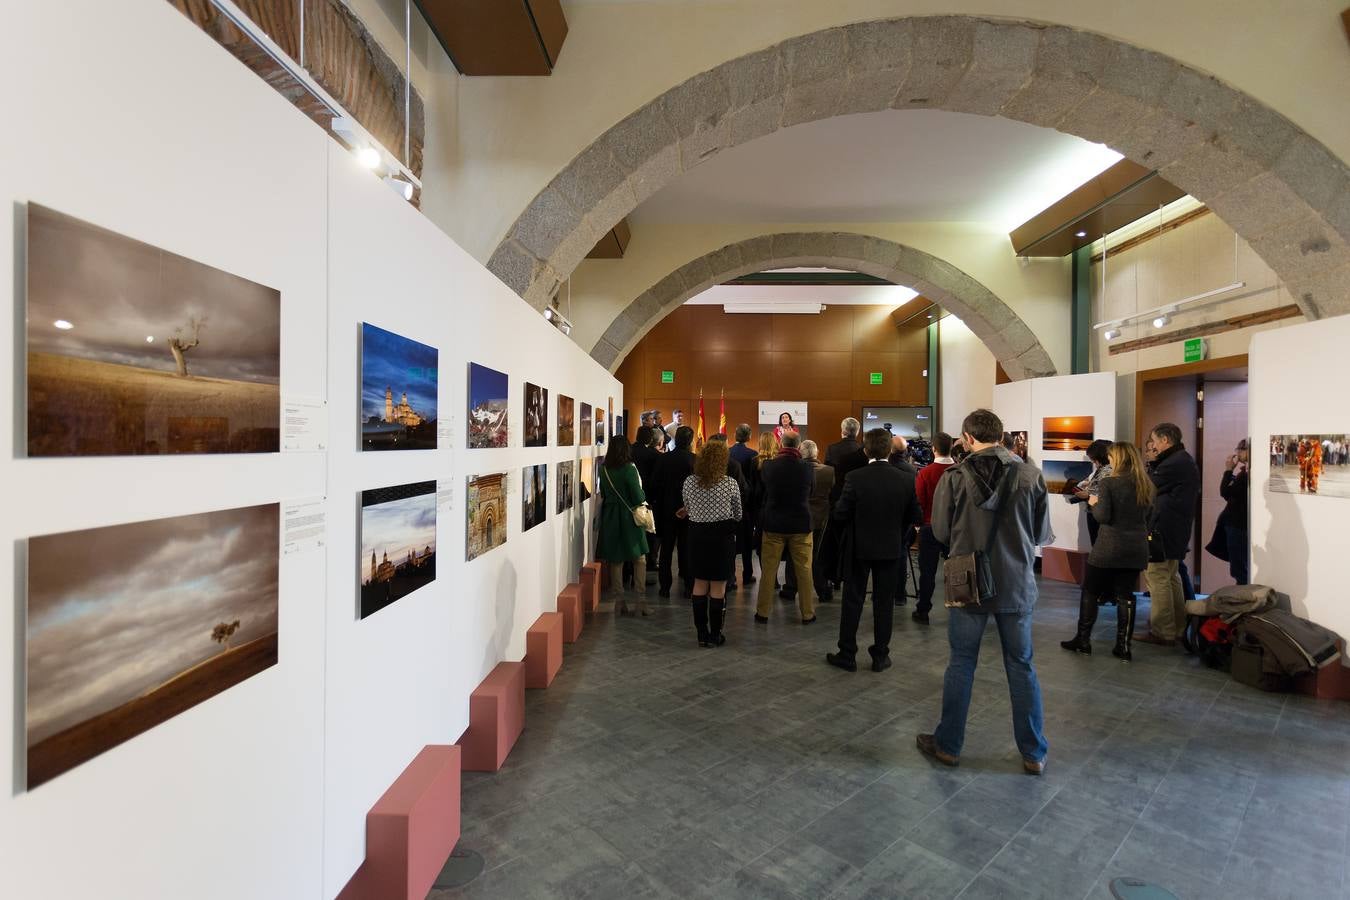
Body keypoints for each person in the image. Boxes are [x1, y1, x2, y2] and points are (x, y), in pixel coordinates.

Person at [917, 408, 1051, 776]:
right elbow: (1040, 535)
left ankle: (948, 745)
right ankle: (1033, 752)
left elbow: (941, 532)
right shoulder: (1030, 475)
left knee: (961, 663)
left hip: (968, 580)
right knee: (1021, 666)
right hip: (1017, 582)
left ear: (969, 438)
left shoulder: (954, 478)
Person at [826, 428, 921, 672]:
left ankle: (847, 653)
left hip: (859, 547)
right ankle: (880, 655)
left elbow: (840, 513)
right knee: (884, 602)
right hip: (890, 547)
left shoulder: (855, 477)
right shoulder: (906, 478)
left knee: (852, 600)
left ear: (866, 449)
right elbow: (914, 515)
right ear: (889, 450)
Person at [1060, 441, 1153, 660]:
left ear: (1118, 458)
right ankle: (1123, 646)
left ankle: (1083, 640)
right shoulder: (1146, 484)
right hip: (1137, 547)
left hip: (1110, 546)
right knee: (1126, 595)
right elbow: (1149, 516)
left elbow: (1102, 516)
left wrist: (1091, 498)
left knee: (1091, 590)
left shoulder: (1110, 483)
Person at [1137, 423, 1200, 646]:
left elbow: (1145, 487)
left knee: (1157, 577)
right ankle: (1177, 627)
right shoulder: (1182, 459)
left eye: (1154, 440)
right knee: (1171, 577)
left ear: (1165, 440)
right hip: (1175, 528)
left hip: (1164, 528)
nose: (1152, 445)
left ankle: (1163, 631)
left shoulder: (1173, 463)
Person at [681, 440, 742, 647]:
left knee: (699, 583)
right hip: (721, 537)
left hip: (697, 535)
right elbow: (738, 514)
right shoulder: (730, 483)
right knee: (718, 587)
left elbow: (687, 507)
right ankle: (715, 634)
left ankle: (701, 634)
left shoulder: (689, 482)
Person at [755, 431, 816, 625]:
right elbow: (811, 492)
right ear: (798, 447)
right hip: (800, 524)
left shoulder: (768, 466)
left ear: (781, 444)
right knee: (804, 571)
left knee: (769, 571)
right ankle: (807, 613)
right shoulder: (807, 468)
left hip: (774, 523)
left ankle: (762, 612)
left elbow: (763, 492)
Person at [596, 435, 651, 616]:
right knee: (639, 559)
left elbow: (603, 492)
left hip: (611, 517)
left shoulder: (603, 469)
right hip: (629, 517)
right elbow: (638, 496)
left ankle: (619, 603)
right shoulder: (629, 469)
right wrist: (642, 494)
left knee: (616, 559)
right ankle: (640, 602)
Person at [912, 431, 956, 624]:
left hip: (930, 527)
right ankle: (959, 606)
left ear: (934, 449)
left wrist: (917, 526)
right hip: (955, 529)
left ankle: (923, 610)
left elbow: (919, 501)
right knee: (956, 570)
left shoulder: (925, 473)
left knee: (927, 572)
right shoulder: (959, 471)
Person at [783, 440, 834, 604]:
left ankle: (791, 589)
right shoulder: (829, 471)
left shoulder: (794, 471)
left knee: (793, 553)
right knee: (817, 555)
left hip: (798, 517)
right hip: (821, 518)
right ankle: (823, 590)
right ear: (817, 452)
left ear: (801, 452)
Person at [651, 425, 696, 599]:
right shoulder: (694, 460)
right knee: (686, 550)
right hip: (688, 511)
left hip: (666, 510)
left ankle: (664, 588)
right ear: (690, 441)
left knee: (666, 551)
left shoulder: (664, 459)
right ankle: (688, 587)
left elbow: (654, 484)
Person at [631, 425, 662, 583]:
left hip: (630, 498)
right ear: (650, 439)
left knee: (633, 531)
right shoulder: (653, 454)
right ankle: (649, 561)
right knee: (649, 530)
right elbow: (656, 479)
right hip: (648, 497)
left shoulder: (629, 450)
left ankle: (630, 568)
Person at [1216, 439, 1250, 584]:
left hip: (1238, 525)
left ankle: (1242, 601)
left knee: (1239, 568)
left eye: (1242, 449)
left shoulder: (1246, 474)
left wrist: (1229, 470)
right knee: (1238, 566)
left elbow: (1225, 492)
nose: (1237, 452)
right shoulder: (1245, 472)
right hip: (1237, 524)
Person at [728, 424, 759, 585]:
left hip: (729, 502)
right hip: (747, 503)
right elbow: (753, 481)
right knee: (747, 541)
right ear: (749, 437)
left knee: (731, 540)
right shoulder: (753, 455)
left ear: (735, 435)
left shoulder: (727, 452)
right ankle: (747, 574)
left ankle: (731, 577)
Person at [1069, 439, 1114, 547]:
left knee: (1099, 548)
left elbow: (1104, 499)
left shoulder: (1107, 471)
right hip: (1095, 514)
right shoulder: (1102, 470)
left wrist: (1087, 496)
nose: (1092, 462)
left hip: (1099, 516)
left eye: (1093, 459)